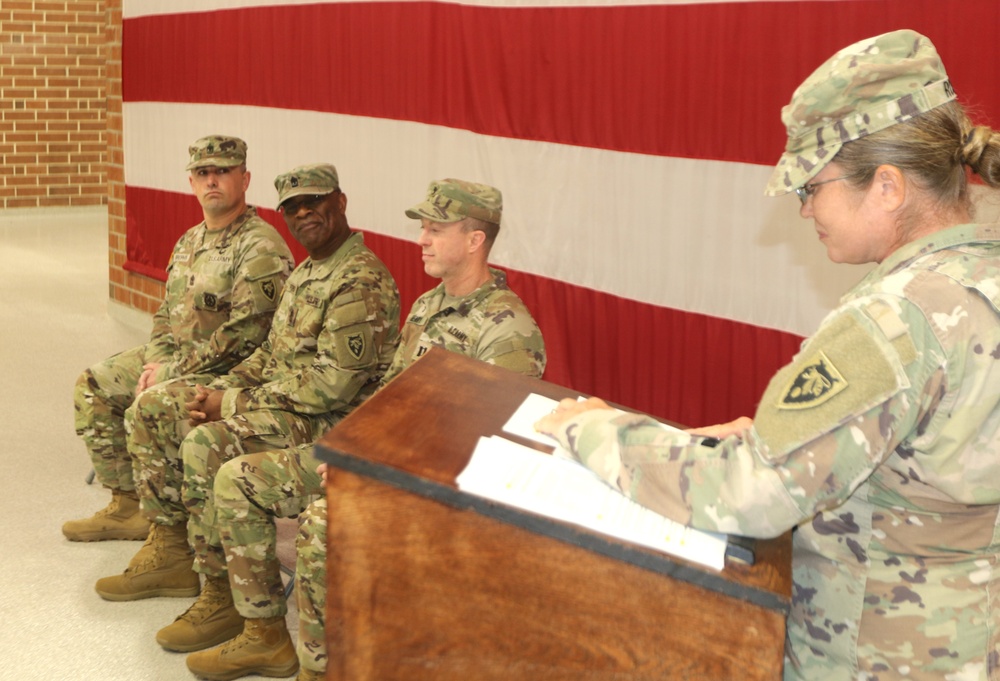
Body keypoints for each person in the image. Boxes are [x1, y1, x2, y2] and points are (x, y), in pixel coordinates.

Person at [536, 29, 1000, 681]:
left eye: (812, 184)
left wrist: (587, 427)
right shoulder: (980, 275)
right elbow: (933, 459)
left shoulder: (898, 317)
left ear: (888, 186)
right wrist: (783, 440)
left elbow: (749, 491)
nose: (805, 207)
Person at [187, 178, 547, 681]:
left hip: (434, 490)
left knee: (321, 525)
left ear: (474, 240)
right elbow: (387, 400)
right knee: (237, 479)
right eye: (423, 227)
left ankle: (326, 669)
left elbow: (487, 452)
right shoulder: (427, 307)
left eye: (436, 229)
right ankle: (263, 634)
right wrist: (349, 452)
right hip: (378, 458)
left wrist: (372, 473)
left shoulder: (507, 330)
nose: (421, 239)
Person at [93, 163, 401, 671]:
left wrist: (230, 405)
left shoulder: (358, 278)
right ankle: (193, 569)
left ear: (340, 203)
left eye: (315, 202)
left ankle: (256, 622)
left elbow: (333, 386)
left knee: (206, 443)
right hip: (291, 406)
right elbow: (271, 357)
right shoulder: (308, 270)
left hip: (334, 423)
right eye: (293, 207)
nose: (304, 214)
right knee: (171, 407)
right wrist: (215, 388)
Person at [64, 134, 294, 543]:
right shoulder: (189, 241)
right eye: (202, 173)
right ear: (191, 183)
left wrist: (167, 372)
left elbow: (245, 338)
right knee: (94, 384)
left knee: (149, 405)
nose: (211, 182)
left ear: (245, 179)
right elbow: (165, 314)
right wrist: (155, 362)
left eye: (222, 172)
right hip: (177, 358)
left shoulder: (259, 246)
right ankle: (127, 505)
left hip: (233, 371)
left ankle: (168, 530)